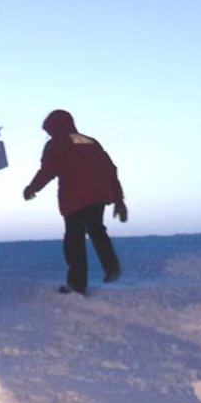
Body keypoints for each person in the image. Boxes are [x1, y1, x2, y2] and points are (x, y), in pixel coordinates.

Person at [23, 109, 128, 295]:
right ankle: (111, 267)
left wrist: (31, 189)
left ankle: (77, 285)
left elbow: (48, 170)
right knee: (97, 230)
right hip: (99, 195)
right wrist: (119, 200)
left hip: (75, 196)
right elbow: (111, 169)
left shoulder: (58, 143)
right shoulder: (91, 142)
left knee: (74, 239)